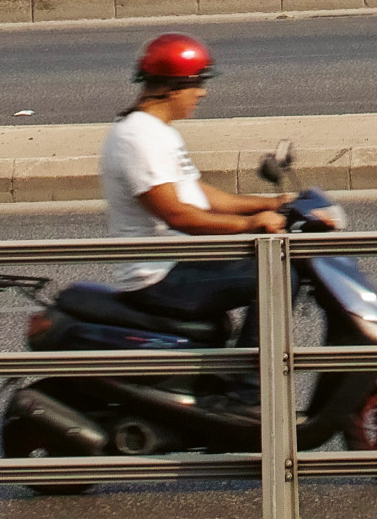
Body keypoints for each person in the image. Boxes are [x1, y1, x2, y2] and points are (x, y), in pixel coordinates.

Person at [96, 30, 284, 328]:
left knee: (280, 262)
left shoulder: (158, 131)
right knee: (280, 272)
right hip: (158, 278)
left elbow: (202, 196)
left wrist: (276, 203)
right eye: (197, 83)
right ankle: (258, 372)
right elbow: (176, 214)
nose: (202, 92)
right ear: (172, 87)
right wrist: (249, 225)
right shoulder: (137, 137)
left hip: (179, 264)